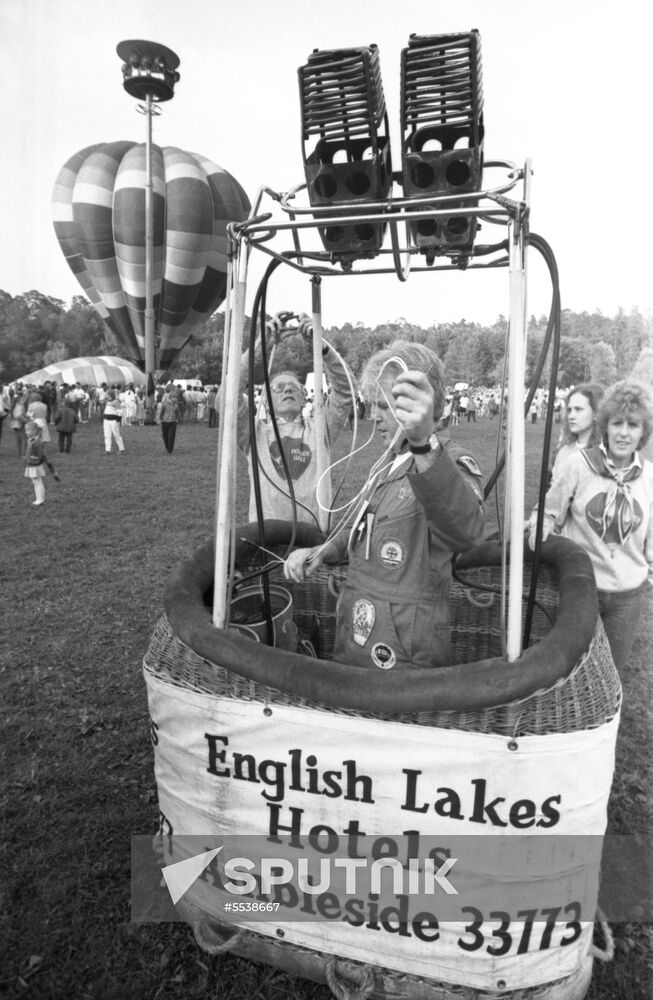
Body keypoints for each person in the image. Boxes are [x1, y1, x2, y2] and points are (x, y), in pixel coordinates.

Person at [284, 341, 485, 670]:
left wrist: (423, 445)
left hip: (405, 650)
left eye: (383, 406)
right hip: (357, 630)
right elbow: (364, 530)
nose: (373, 416)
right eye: (371, 404)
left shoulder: (446, 459)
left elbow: (467, 534)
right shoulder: (389, 461)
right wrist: (324, 552)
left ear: (418, 402)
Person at [528, 380, 653, 673]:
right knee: (568, 671)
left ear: (643, 431)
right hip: (580, 588)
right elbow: (548, 511)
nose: (624, 432)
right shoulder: (578, 465)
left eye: (633, 425)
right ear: (605, 425)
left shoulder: (649, 477)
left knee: (609, 674)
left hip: (627, 596)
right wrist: (540, 525)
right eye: (617, 423)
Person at [235, 312, 353, 526]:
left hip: (314, 539)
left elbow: (347, 392)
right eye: (278, 388)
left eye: (293, 387)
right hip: (266, 537)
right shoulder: (255, 433)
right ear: (268, 402)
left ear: (303, 397)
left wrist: (322, 347)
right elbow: (226, 398)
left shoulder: (319, 429)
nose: (287, 389)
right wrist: (259, 347)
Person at [549, 383, 604, 479]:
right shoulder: (563, 452)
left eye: (578, 409)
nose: (571, 416)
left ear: (596, 413)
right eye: (569, 410)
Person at [24, 422, 59, 506]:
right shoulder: (31, 440)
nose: (26, 432)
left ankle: (40, 499)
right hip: (31, 464)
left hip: (35, 465)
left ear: (34, 431)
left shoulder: (37, 442)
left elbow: (41, 455)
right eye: (26, 430)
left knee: (38, 482)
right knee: (35, 482)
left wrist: (36, 460)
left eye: (28, 430)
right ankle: (38, 498)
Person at [160, 386, 181, 453]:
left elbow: (178, 414)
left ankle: (170, 449)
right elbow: (161, 412)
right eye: (173, 397)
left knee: (171, 436)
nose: (174, 399)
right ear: (170, 397)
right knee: (165, 436)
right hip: (165, 422)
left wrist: (177, 420)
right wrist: (161, 419)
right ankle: (167, 446)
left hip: (173, 422)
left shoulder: (176, 406)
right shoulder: (165, 404)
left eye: (175, 398)